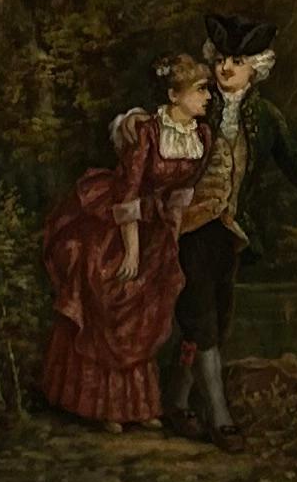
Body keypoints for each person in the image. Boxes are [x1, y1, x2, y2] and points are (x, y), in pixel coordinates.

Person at [165, 14, 297, 439]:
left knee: (216, 316)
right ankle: (221, 418)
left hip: (229, 229)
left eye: (238, 59)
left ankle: (177, 404)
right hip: (185, 225)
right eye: (222, 58)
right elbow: (156, 131)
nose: (226, 68)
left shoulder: (266, 118)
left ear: (258, 67)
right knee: (201, 318)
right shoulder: (197, 100)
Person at [37, 51, 214, 428]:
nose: (207, 97)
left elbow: (182, 194)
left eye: (207, 90)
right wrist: (131, 250)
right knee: (111, 299)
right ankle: (104, 409)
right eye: (201, 90)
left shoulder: (202, 136)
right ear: (174, 95)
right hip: (116, 224)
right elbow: (128, 192)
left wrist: (171, 238)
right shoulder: (148, 133)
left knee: (145, 311)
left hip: (156, 227)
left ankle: (139, 406)